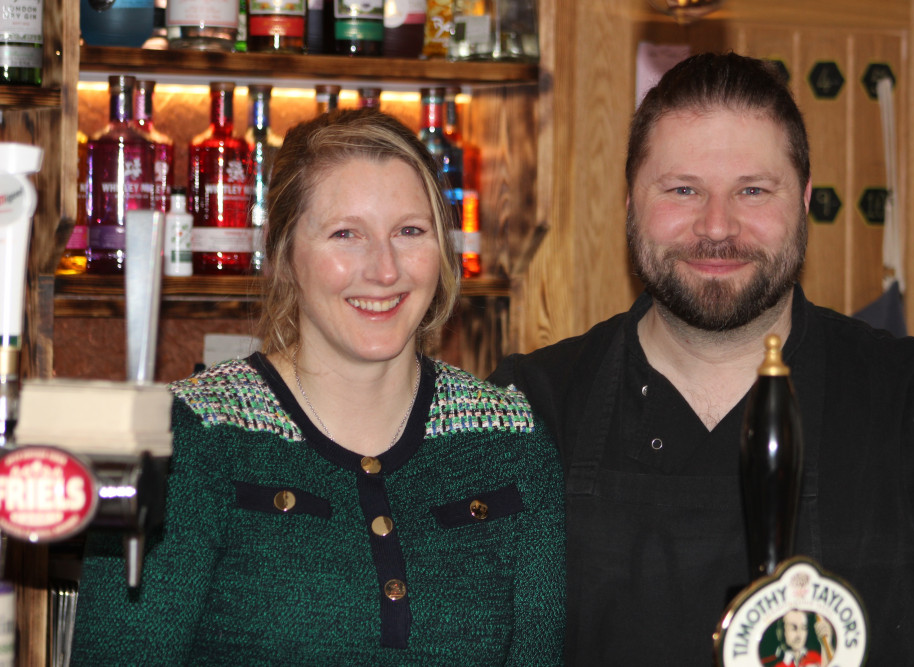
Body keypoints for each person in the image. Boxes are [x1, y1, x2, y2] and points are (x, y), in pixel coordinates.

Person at [489, 51, 914, 664]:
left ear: (804, 199)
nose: (716, 227)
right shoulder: (526, 409)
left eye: (752, 191)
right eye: (683, 190)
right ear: (630, 202)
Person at [72, 109, 565, 664]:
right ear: (283, 255)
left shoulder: (509, 439)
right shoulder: (181, 436)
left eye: (410, 231)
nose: (384, 270)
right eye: (346, 234)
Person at [761, 610, 830, 667]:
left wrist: (825, 644)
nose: (799, 634)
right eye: (793, 628)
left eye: (803, 628)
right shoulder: (767, 663)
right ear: (780, 632)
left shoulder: (816, 657)